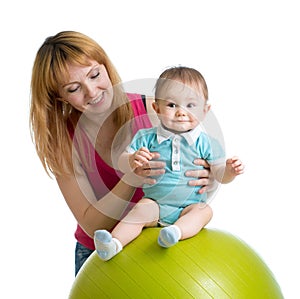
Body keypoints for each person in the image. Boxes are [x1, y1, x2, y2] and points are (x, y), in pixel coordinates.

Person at [29, 31, 214, 275]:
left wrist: (209, 175)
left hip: (160, 239)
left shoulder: (153, 108)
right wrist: (131, 177)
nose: (92, 92)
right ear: (59, 96)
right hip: (99, 253)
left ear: (106, 66)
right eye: (74, 88)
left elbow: (193, 165)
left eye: (95, 75)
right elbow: (93, 225)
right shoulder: (63, 140)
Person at [94, 66, 244, 261]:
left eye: (191, 105)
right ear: (156, 109)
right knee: (139, 211)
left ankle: (175, 232)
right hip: (155, 204)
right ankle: (113, 244)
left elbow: (218, 174)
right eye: (172, 105)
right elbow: (123, 161)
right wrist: (131, 160)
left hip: (189, 206)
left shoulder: (206, 143)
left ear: (205, 111)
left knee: (204, 211)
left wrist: (230, 171)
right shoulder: (147, 137)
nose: (181, 113)